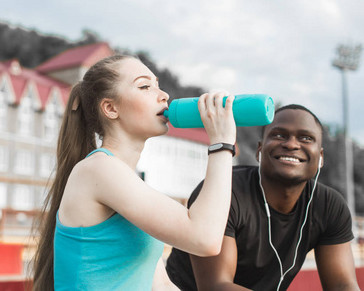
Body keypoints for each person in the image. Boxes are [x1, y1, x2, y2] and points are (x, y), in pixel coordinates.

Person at [31, 54, 237, 290]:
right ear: (110, 108)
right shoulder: (99, 169)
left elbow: (160, 284)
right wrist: (222, 144)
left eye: (158, 85)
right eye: (144, 86)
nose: (164, 95)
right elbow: (205, 238)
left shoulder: (129, 183)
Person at [166, 104, 360, 291]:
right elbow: (216, 286)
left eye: (306, 138)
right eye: (279, 135)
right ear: (259, 150)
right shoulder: (223, 191)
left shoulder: (329, 206)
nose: (292, 144)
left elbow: (342, 285)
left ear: (321, 157)